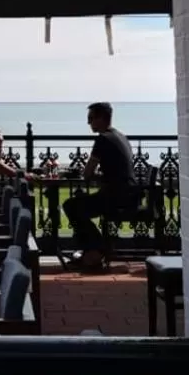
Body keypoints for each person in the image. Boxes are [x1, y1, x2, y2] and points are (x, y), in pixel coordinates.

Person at [62, 102, 135, 270]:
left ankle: (96, 249)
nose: (89, 123)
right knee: (79, 204)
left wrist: (83, 174)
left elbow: (87, 174)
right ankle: (91, 251)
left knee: (71, 206)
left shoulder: (102, 139)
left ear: (101, 118)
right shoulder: (120, 136)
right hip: (128, 194)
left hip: (115, 197)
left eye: (91, 118)